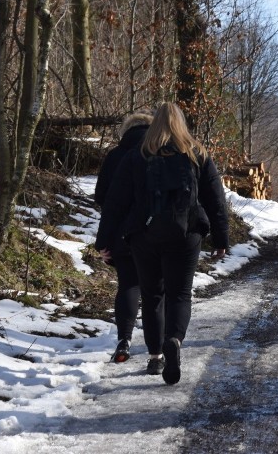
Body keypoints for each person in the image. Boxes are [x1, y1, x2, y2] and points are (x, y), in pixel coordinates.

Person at [95, 102, 229, 385]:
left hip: (145, 235)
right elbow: (216, 200)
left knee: (152, 295)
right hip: (187, 234)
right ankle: (175, 340)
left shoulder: (137, 156)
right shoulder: (197, 154)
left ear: (153, 125)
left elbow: (115, 203)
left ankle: (156, 357)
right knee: (179, 294)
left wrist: (104, 241)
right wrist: (221, 238)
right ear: (181, 123)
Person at [95, 109, 155, 363]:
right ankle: (159, 347)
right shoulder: (159, 153)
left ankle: (124, 339)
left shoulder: (116, 155)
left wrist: (105, 239)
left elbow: (102, 197)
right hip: (155, 231)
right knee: (156, 289)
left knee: (128, 284)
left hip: (121, 232)